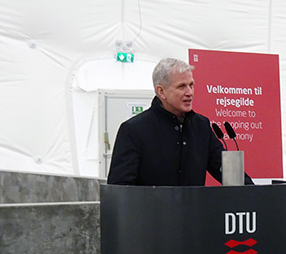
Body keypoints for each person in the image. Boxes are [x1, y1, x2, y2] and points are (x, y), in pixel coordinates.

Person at [107, 57, 253, 186]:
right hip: (152, 216)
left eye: (191, 85)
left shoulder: (201, 126)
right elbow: (120, 188)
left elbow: (226, 171)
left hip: (194, 215)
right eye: (181, 86)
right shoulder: (134, 130)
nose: (189, 92)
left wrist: (258, 195)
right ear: (161, 91)